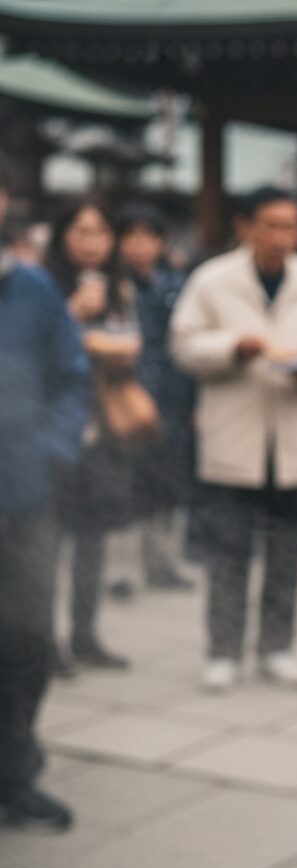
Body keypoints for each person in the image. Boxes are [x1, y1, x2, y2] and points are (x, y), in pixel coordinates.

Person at [171, 186, 297, 692]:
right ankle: (222, 649)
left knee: (287, 552)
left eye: (290, 226)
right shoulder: (212, 281)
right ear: (246, 226)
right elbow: (184, 343)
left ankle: (278, 647)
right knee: (228, 551)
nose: (282, 236)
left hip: (296, 441)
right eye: (272, 225)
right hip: (233, 440)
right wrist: (235, 346)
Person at [0, 155, 91, 830]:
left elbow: (72, 379)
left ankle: (15, 772)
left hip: (27, 494)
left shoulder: (30, 289)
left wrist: (55, 451)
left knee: (28, 637)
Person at [46, 198, 142, 674]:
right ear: (63, 236)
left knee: (93, 538)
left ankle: (85, 634)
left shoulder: (118, 288)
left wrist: (99, 338)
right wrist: (73, 315)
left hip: (104, 432)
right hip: (54, 433)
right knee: (47, 542)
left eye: (100, 232)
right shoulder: (41, 285)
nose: (91, 242)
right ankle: (44, 640)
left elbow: (130, 344)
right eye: (81, 231)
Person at [117, 203, 194, 592]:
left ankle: (161, 562)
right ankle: (122, 571)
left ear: (162, 243)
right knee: (125, 482)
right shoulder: (113, 287)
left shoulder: (178, 287)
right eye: (131, 236)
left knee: (167, 484)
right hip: (124, 398)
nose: (139, 246)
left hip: (172, 398)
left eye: (148, 237)